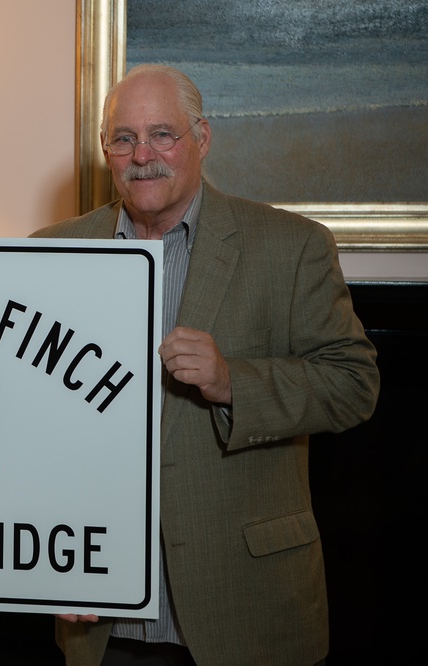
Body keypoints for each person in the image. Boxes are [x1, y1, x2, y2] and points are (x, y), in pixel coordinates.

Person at [31, 64, 379, 666]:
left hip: (245, 615)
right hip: (100, 626)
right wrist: (41, 562)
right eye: (124, 138)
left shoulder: (291, 246)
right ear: (106, 150)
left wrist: (231, 382)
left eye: (162, 134)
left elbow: (353, 385)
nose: (143, 155)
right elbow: (24, 427)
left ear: (202, 138)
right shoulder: (50, 253)